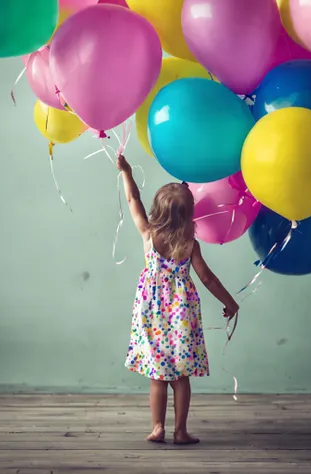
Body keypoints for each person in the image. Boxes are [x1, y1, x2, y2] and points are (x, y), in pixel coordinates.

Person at [117, 155, 239, 445]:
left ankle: (157, 428)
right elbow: (208, 278)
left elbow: (133, 200)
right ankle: (180, 431)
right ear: (190, 215)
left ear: (157, 211)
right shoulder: (190, 244)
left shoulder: (149, 235)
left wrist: (127, 172)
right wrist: (230, 302)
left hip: (151, 314)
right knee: (180, 376)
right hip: (181, 315)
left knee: (158, 376)